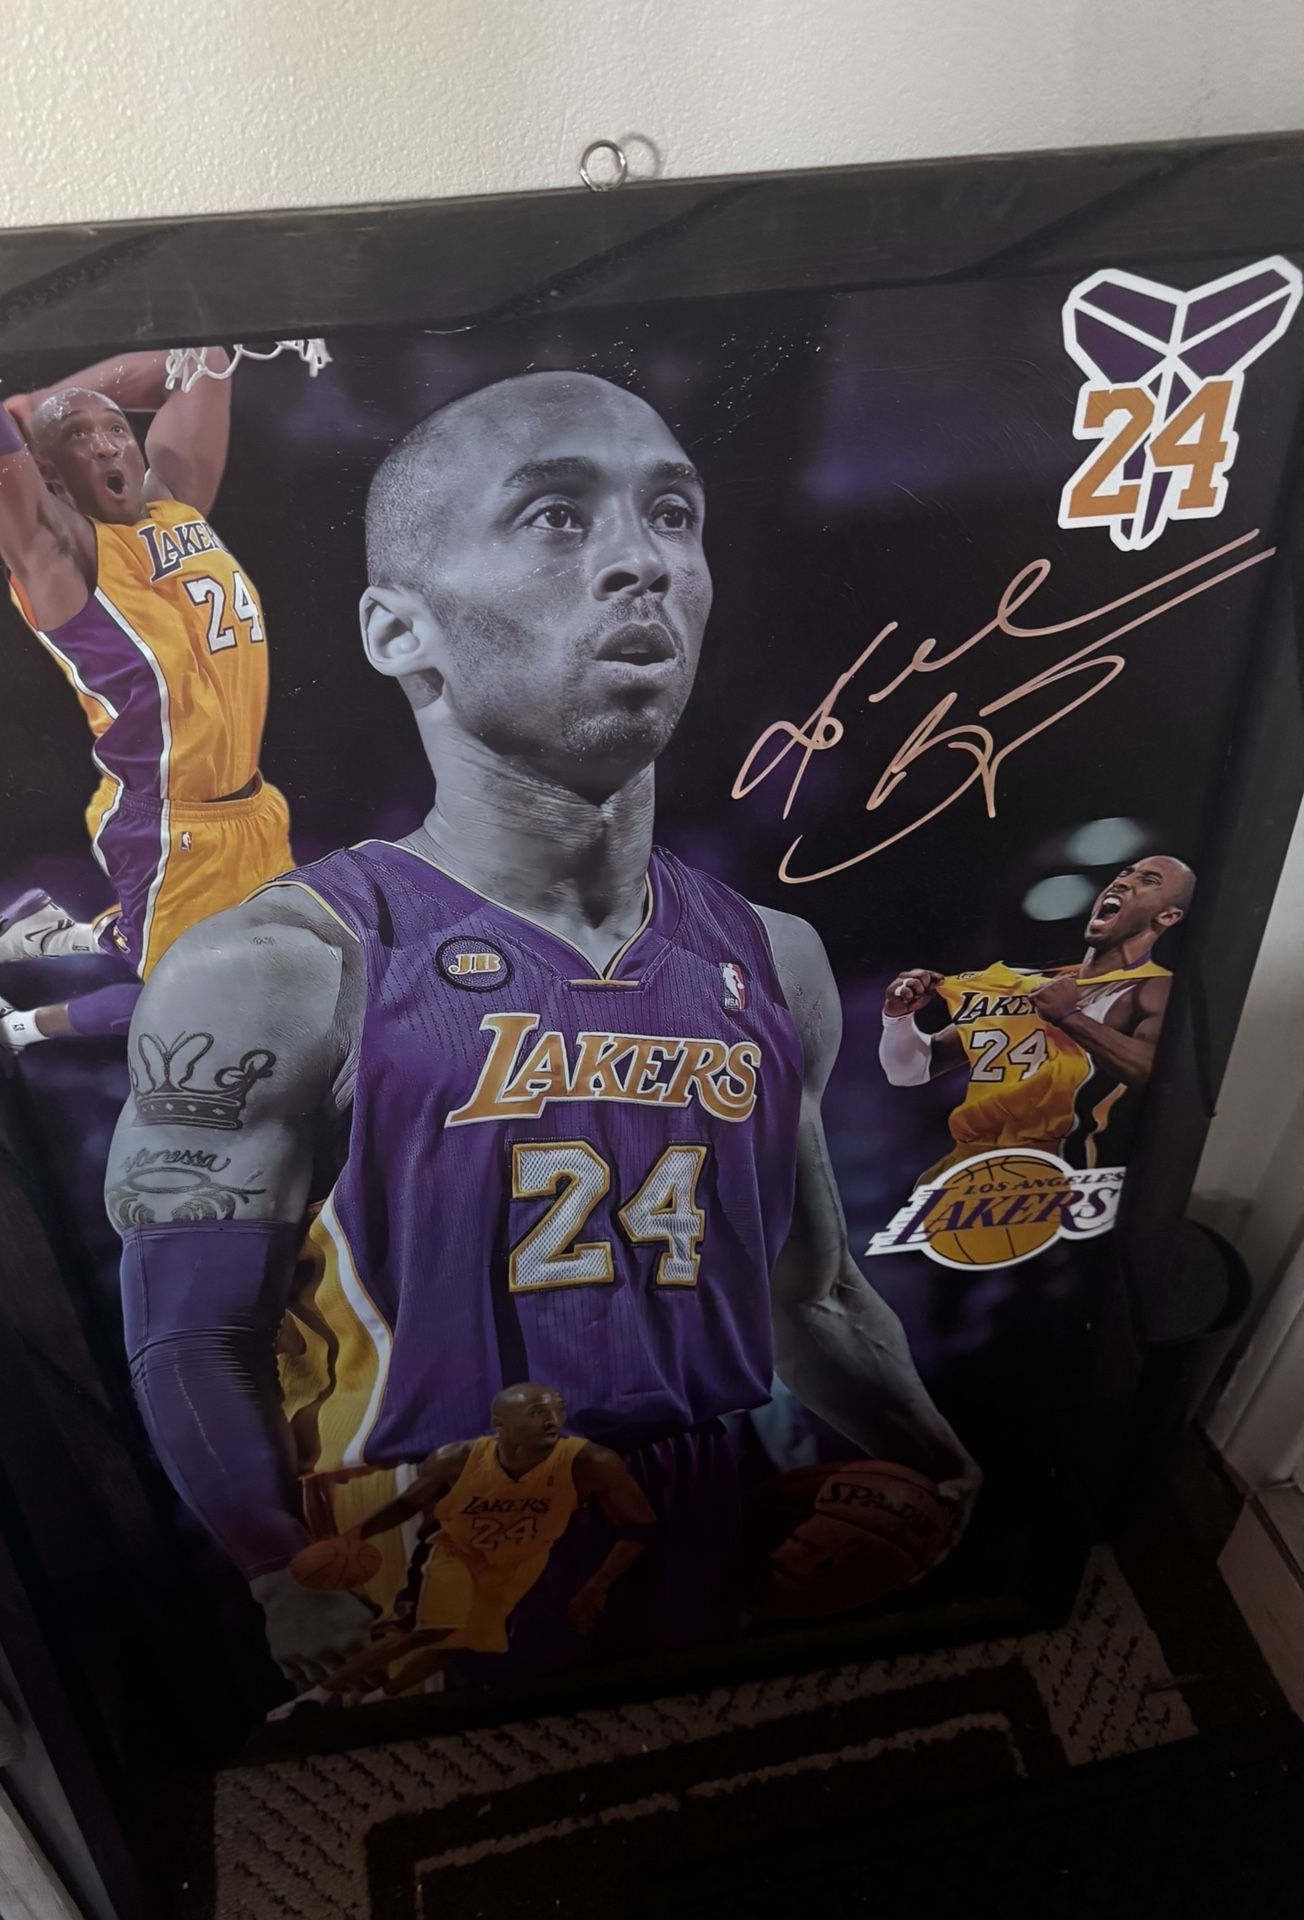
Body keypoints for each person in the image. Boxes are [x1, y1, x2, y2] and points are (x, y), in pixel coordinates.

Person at [103, 369, 981, 1692]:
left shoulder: (772, 958)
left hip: (707, 1520)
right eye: (559, 517)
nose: (643, 561)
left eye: (672, 514)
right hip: (423, 1559)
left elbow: (809, 1294)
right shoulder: (277, 966)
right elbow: (190, 1337)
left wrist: (941, 1465)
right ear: (399, 630)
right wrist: (278, 1573)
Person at [0, 351, 292, 1050]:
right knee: (199, 1006)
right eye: (78, 437)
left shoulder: (176, 505)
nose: (106, 443)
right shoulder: (55, 555)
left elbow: (203, 363)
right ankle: (16, 1029)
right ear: (43, 474)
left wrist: (41, 404)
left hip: (252, 805)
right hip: (171, 830)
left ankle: (50, 933)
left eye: (117, 429)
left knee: (278, 971)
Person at [315, 1382, 656, 1701]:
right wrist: (358, 1532)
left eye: (558, 1409)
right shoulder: (457, 1460)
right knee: (428, 1629)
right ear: (500, 1424)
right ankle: (318, 1696)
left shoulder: (591, 1462)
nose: (553, 1420)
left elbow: (638, 1526)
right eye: (537, 1412)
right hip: (454, 1551)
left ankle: (381, 1700)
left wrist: (597, 1586)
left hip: (515, 1563)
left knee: (457, 1643)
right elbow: (407, 1504)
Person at [880, 855, 1194, 1180]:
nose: (1123, 881)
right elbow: (910, 1071)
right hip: (962, 1171)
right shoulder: (1022, 984)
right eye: (1125, 873)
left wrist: (1069, 1016)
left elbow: (1155, 1072)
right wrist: (899, 1018)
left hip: (1055, 1173)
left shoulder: (1154, 987)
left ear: (1167, 915)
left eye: (1148, 880)